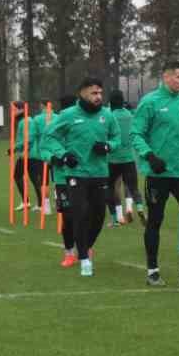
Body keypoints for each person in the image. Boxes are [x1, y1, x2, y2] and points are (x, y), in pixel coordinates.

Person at [39, 76, 122, 278]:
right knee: (79, 213)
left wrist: (108, 146)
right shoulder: (68, 115)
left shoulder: (107, 116)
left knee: (99, 216)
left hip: (100, 173)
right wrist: (63, 155)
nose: (98, 97)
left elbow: (117, 137)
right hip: (75, 175)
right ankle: (84, 258)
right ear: (82, 93)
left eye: (100, 93)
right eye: (94, 93)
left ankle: (86, 246)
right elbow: (48, 138)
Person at [130, 61, 179, 288]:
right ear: (166, 77)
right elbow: (136, 134)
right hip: (158, 174)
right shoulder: (149, 102)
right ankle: (152, 270)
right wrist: (150, 156)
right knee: (156, 220)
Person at [105, 90, 141, 225]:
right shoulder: (130, 115)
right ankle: (136, 207)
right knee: (132, 186)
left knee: (112, 187)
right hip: (128, 157)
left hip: (112, 158)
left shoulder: (109, 115)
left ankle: (117, 217)